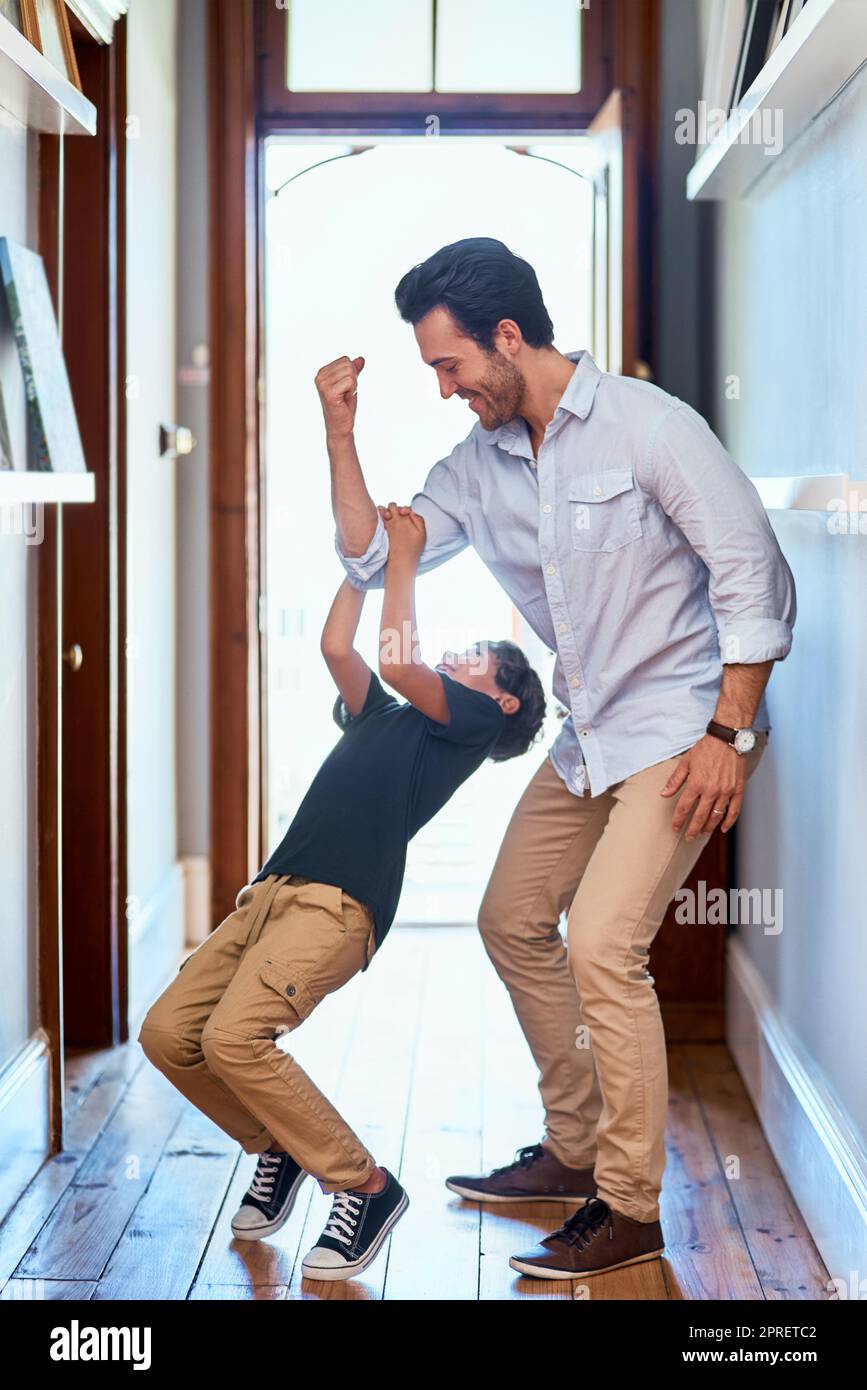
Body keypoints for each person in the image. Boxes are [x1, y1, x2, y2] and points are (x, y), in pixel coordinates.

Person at [317, 235, 796, 1279]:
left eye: (450, 367)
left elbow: (751, 569)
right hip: (594, 729)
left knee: (603, 945)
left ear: (506, 335)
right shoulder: (477, 465)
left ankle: (629, 1204)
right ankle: (575, 1149)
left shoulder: (647, 427)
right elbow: (369, 555)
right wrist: (339, 433)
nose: (447, 392)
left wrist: (731, 731)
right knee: (511, 917)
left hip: (684, 728)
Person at [138, 503, 545, 1283]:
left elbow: (398, 659)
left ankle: (364, 1184)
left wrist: (405, 558)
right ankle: (274, 1149)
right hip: (268, 896)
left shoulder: (461, 728)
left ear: (497, 703)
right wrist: (359, 567)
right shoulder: (384, 717)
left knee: (233, 1040)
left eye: (472, 659)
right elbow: (338, 646)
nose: (454, 658)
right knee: (167, 1033)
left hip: (338, 904)